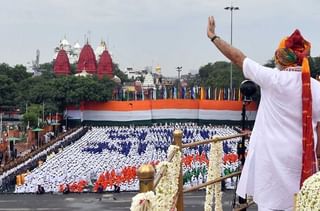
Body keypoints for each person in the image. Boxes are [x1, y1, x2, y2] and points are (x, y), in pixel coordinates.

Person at [206, 16, 320, 211]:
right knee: (301, 204)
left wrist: (213, 37)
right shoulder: (317, 88)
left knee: (270, 205)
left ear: (281, 57)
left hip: (273, 161)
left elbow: (238, 57)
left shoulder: (272, 79)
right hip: (303, 159)